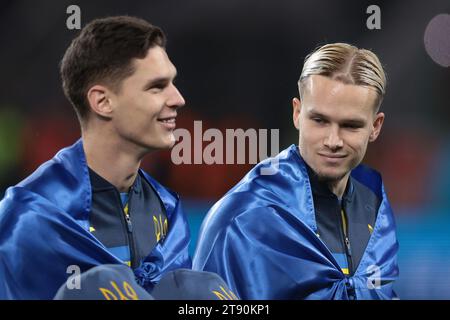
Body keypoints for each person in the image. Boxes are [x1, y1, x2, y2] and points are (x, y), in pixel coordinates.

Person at [0, 16, 191, 299]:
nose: (178, 98)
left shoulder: (168, 210)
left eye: (172, 83)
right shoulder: (29, 215)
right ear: (102, 102)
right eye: (157, 86)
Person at [193, 43, 399, 300]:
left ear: (375, 127)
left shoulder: (375, 205)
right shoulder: (243, 216)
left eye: (350, 125)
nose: (333, 141)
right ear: (297, 113)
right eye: (320, 120)